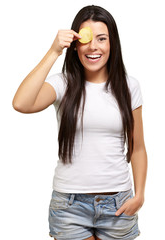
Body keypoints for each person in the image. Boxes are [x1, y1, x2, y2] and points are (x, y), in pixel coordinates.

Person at [12, 5, 147, 240]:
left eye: (102, 39)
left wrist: (140, 196)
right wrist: (54, 51)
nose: (93, 47)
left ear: (112, 43)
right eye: (86, 39)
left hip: (118, 204)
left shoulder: (129, 86)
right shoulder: (63, 84)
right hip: (70, 206)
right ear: (75, 45)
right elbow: (21, 103)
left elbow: (138, 147)